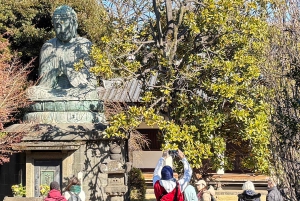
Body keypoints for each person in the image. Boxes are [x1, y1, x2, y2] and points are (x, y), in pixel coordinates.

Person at [38, 5, 97, 90]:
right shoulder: (48, 47)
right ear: (54, 26)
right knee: (32, 92)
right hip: (53, 92)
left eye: (66, 24)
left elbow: (91, 82)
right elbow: (44, 84)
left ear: (75, 24)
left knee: (90, 93)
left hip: (79, 92)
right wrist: (54, 72)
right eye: (58, 26)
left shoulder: (84, 45)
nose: (62, 30)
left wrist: (68, 71)